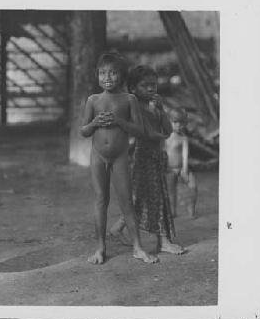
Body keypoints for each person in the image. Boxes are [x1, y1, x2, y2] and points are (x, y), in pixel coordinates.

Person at [80, 54, 158, 265]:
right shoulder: (93, 100)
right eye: (103, 73)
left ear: (121, 76)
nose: (107, 77)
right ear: (97, 75)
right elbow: (84, 131)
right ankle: (100, 248)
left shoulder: (129, 99)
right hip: (98, 157)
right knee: (100, 200)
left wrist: (119, 121)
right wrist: (95, 122)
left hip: (120, 157)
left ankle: (138, 248)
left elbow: (140, 130)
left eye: (113, 73)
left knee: (126, 203)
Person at [109, 65, 185, 255]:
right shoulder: (135, 108)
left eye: (153, 85)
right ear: (133, 89)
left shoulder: (154, 106)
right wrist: (160, 135)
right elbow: (148, 133)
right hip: (144, 157)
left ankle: (118, 228)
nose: (151, 89)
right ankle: (164, 241)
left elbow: (168, 130)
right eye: (145, 85)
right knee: (155, 199)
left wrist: (161, 110)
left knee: (142, 198)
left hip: (157, 156)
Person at [165, 108, 198, 219]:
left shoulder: (184, 138)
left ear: (184, 124)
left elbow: (185, 155)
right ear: (169, 122)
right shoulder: (165, 137)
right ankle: (172, 212)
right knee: (171, 191)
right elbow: (162, 152)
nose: (178, 126)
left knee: (193, 186)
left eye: (181, 123)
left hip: (182, 167)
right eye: (175, 123)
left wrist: (184, 169)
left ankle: (191, 210)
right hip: (169, 168)